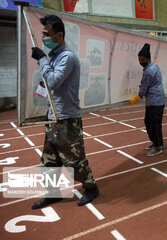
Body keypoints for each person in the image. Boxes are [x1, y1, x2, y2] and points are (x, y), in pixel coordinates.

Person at [30, 14, 99, 209]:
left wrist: (42, 59)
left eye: (47, 33)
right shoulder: (54, 57)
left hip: (67, 118)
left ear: (59, 36)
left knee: (74, 159)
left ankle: (91, 188)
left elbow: (53, 81)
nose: (44, 37)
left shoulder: (67, 57)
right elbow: (46, 85)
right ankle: (53, 193)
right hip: (53, 117)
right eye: (43, 33)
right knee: (49, 160)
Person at [129, 43, 166, 157]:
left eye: (143, 59)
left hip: (155, 101)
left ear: (148, 58)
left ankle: (157, 146)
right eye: (139, 59)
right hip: (154, 101)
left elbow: (144, 89)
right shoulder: (153, 66)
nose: (141, 61)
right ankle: (156, 142)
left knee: (153, 124)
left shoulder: (149, 71)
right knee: (151, 123)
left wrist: (135, 98)